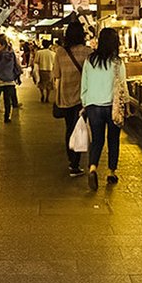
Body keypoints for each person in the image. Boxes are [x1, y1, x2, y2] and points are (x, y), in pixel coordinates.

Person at [80, 27, 125, 191]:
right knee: (113, 140)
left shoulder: (90, 60)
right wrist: (125, 102)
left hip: (93, 107)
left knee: (97, 140)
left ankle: (92, 168)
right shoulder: (117, 62)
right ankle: (111, 172)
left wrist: (85, 102)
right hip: (112, 106)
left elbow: (84, 84)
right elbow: (122, 86)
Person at [53, 22, 91, 177]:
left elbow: (56, 75)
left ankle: (72, 160)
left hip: (65, 96)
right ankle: (75, 163)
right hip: (83, 97)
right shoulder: (88, 52)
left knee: (69, 128)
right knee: (80, 127)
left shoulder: (60, 53)